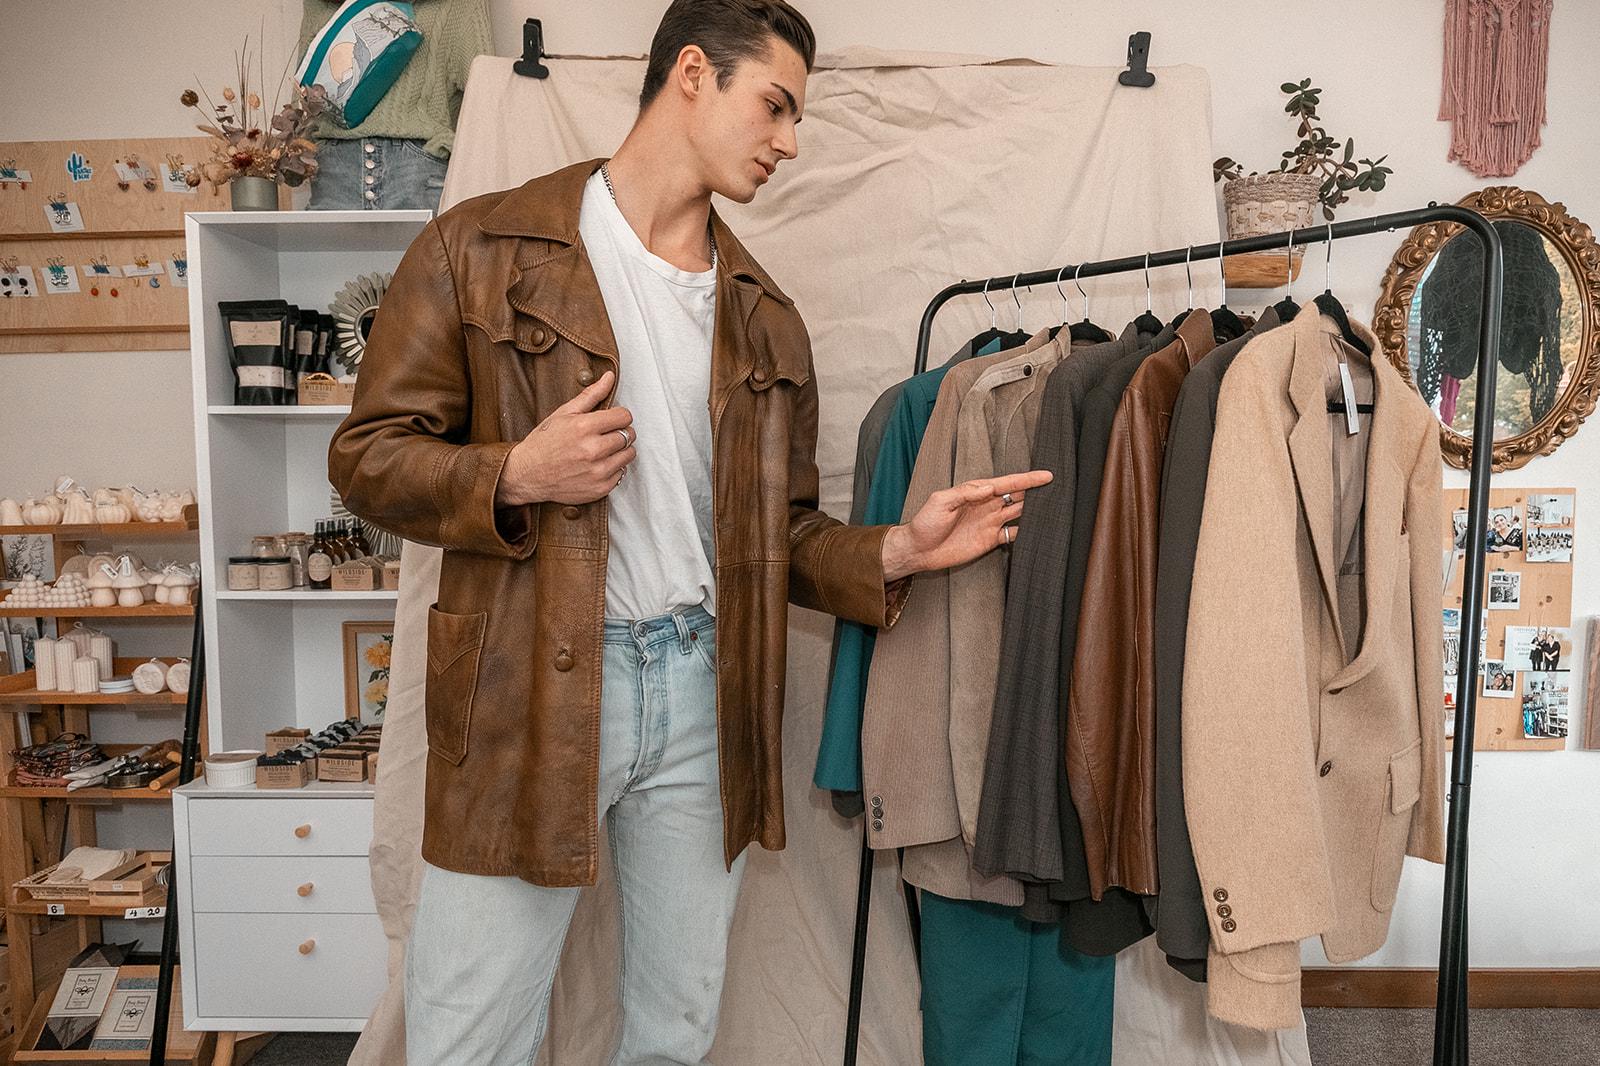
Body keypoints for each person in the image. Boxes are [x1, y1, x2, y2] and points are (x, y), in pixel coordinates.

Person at [327, 3, 1050, 1062]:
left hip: (707, 691)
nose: (789, 141)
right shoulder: (479, 246)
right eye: (776, 105)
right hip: (529, 691)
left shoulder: (766, 316)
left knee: (674, 1029)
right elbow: (368, 458)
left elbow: (782, 536)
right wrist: (514, 471)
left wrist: (897, 549)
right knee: (467, 1032)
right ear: (693, 74)